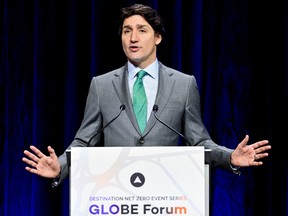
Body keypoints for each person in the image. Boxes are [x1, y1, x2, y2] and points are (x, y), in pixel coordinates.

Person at [22, 3, 271, 187]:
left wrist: (231, 158)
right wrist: (60, 168)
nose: (133, 38)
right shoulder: (101, 85)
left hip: (165, 197)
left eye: (142, 30)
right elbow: (84, 142)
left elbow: (199, 142)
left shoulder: (184, 85)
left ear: (158, 37)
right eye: (126, 30)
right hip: (114, 196)